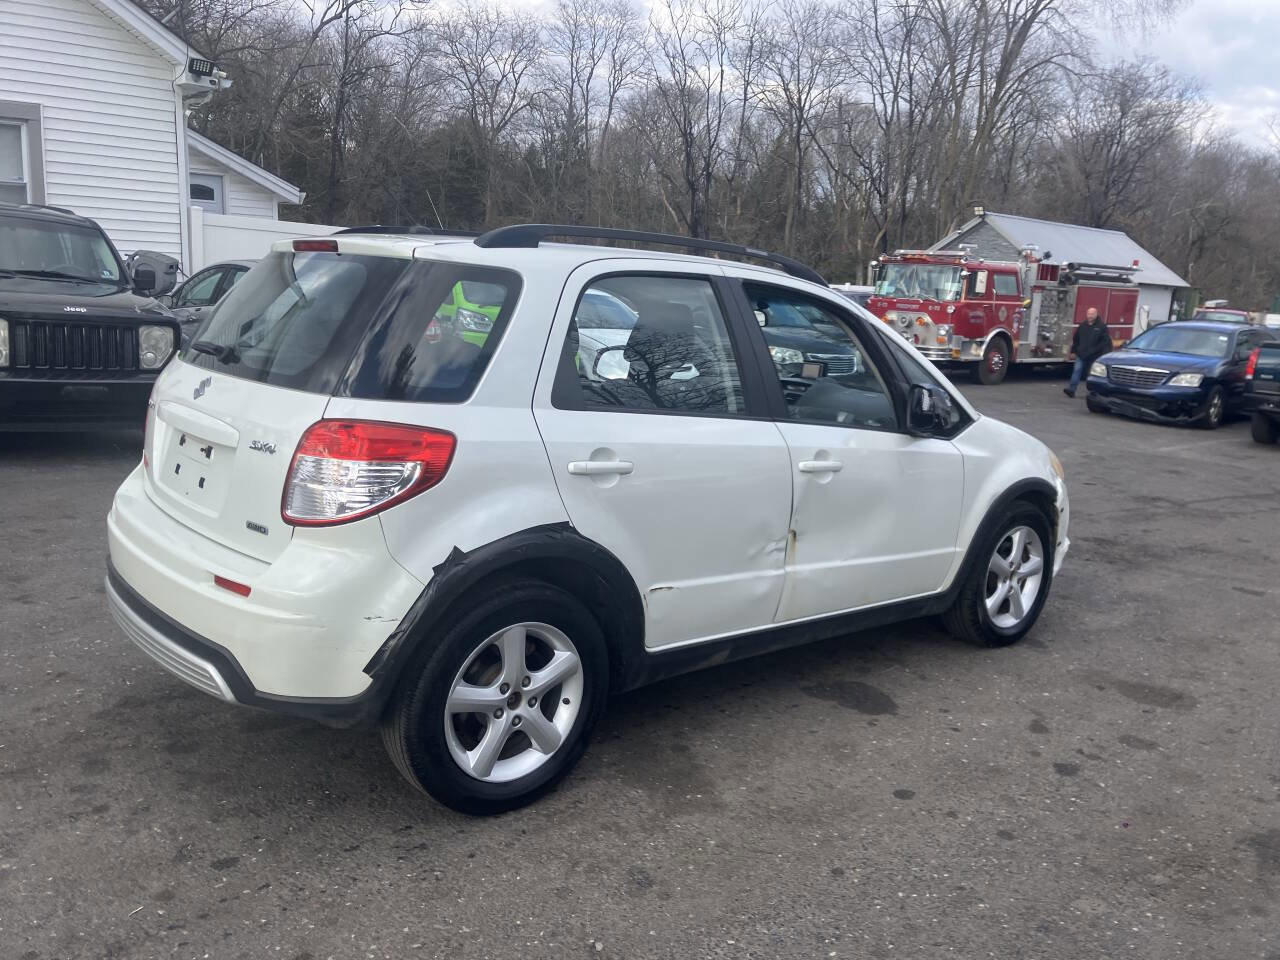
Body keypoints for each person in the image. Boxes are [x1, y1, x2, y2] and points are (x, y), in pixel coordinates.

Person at [1064, 307, 1112, 397]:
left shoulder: (1102, 327)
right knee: (1076, 370)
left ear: (1096, 314)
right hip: (1081, 354)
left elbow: (1105, 342)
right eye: (1088, 314)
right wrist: (1074, 351)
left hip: (1094, 355)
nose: (1090, 316)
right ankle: (1071, 390)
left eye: (1092, 314)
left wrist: (1097, 351)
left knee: (1092, 375)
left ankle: (1093, 392)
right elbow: (1076, 339)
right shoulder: (1082, 326)